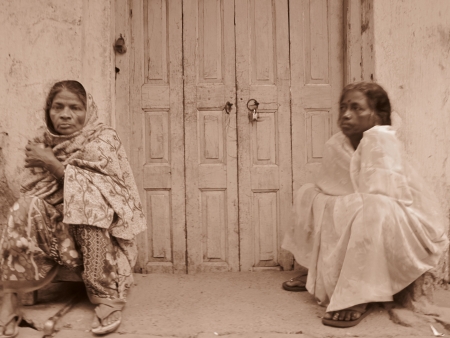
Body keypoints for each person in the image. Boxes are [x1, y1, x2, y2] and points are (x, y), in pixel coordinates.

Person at [282, 81, 449, 328]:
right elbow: (331, 187)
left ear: (378, 116)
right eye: (343, 107)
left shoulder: (381, 141)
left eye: (357, 108)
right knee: (310, 195)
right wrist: (338, 205)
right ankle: (320, 271)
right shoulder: (337, 143)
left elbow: (386, 196)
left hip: (408, 220)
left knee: (371, 209)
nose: (346, 114)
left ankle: (357, 295)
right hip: (363, 206)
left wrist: (347, 206)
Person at [0, 80, 146, 337]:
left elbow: (110, 193)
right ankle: (9, 298)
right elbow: (33, 189)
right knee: (24, 205)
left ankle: (105, 296)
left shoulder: (104, 139)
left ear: (87, 111)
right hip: (57, 239)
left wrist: (51, 162)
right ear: (49, 110)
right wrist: (47, 160)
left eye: (75, 108)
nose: (65, 114)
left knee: (87, 193)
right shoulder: (41, 141)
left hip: (101, 240)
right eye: (58, 107)